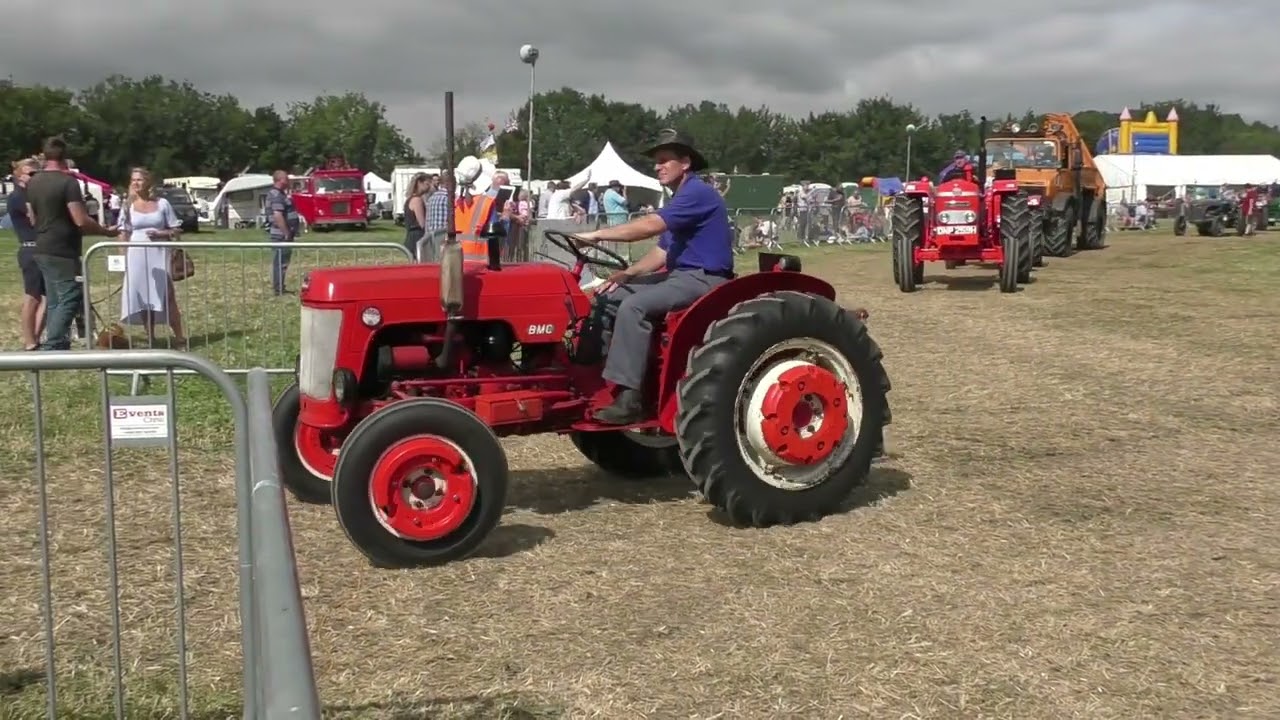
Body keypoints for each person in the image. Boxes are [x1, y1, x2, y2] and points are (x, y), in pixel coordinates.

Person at [573, 129, 733, 424]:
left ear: (685, 163)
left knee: (634, 306)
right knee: (607, 295)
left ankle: (630, 398)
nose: (657, 167)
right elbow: (661, 252)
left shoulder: (698, 193)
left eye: (664, 160)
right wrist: (626, 274)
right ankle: (587, 375)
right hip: (679, 275)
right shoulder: (680, 199)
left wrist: (596, 234)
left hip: (704, 277)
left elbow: (649, 226)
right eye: (656, 162)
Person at [26, 137, 116, 351]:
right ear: (65, 156)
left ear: (44, 155)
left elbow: (32, 218)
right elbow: (80, 219)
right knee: (70, 296)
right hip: (62, 248)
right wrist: (105, 231)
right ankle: (54, 344)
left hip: (42, 245)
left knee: (55, 299)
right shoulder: (68, 182)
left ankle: (58, 342)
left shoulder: (33, 182)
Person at [119, 167, 186, 348]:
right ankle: (151, 337)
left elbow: (176, 230)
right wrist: (122, 257)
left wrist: (161, 233)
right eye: (133, 179)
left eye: (139, 179)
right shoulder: (128, 206)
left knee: (167, 295)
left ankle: (179, 336)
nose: (135, 183)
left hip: (159, 254)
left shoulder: (162, 203)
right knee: (143, 297)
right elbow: (123, 232)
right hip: (136, 255)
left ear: (148, 182)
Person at [7, 157, 45, 350]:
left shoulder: (32, 194)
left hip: (43, 248)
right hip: (30, 249)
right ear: (20, 175)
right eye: (31, 173)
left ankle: (35, 339)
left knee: (47, 298)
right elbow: (34, 219)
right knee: (32, 296)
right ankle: (29, 341)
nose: (35, 177)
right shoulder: (18, 196)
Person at [265, 170, 300, 294]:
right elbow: (277, 215)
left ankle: (280, 286)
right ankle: (278, 288)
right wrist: (286, 233)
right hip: (280, 235)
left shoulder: (281, 194)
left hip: (283, 234)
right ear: (280, 180)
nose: (289, 181)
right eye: (286, 179)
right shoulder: (276, 195)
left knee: (283, 262)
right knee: (280, 262)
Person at [402, 172, 432, 258]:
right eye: (427, 184)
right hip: (417, 237)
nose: (429, 187)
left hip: (412, 237)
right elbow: (422, 223)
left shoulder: (410, 199)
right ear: (419, 183)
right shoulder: (417, 200)